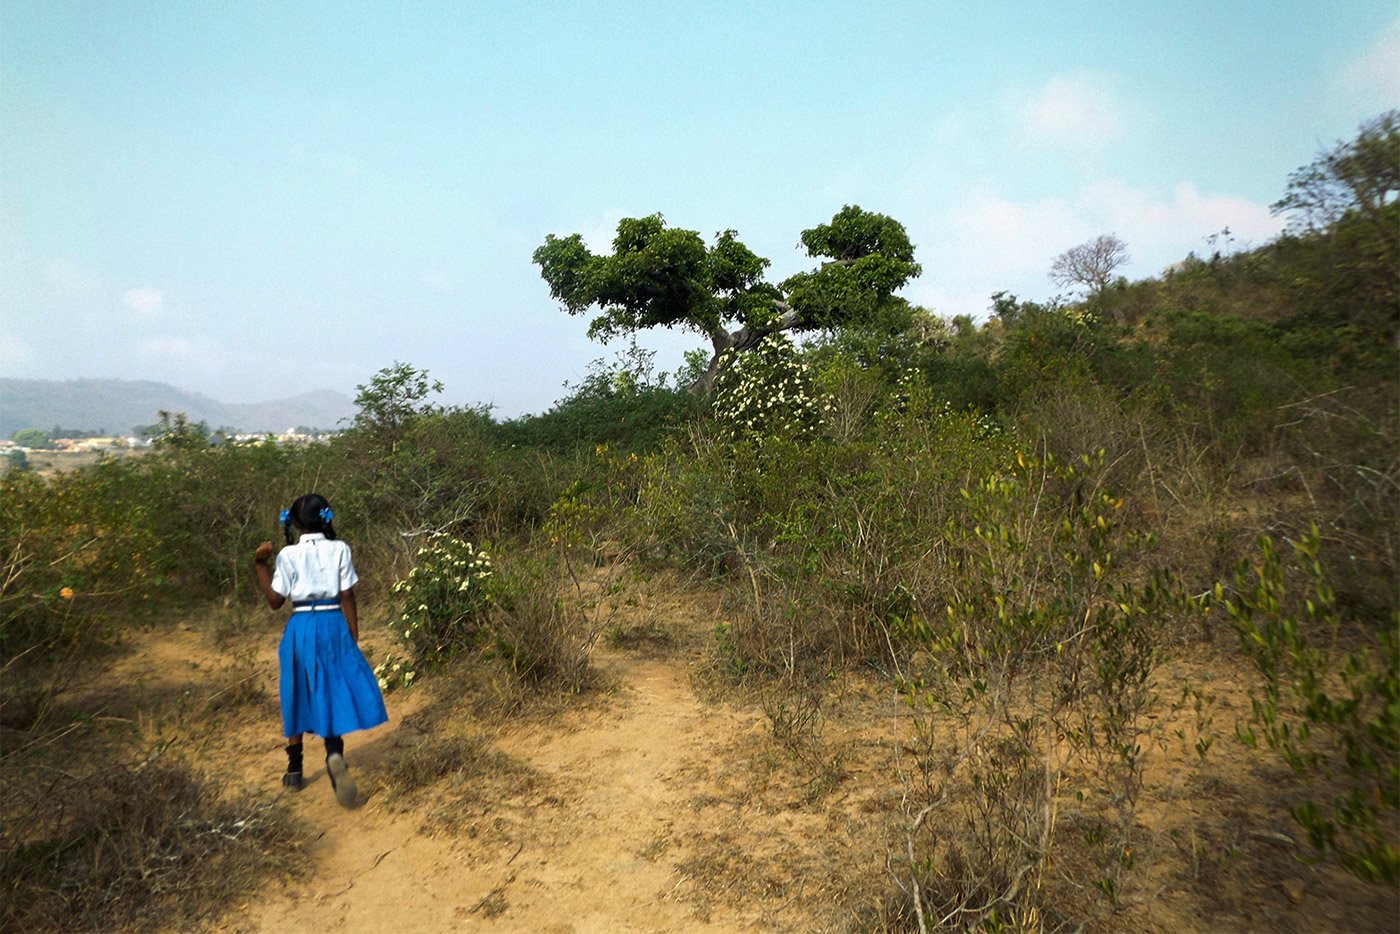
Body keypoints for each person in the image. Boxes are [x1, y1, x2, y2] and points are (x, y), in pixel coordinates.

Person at [253, 493, 387, 808]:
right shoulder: (340, 549)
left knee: (295, 690)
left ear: (294, 523)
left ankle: (294, 769)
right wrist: (352, 635)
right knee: (331, 690)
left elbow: (275, 602)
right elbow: (348, 595)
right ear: (326, 518)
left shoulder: (287, 555)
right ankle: (334, 754)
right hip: (332, 624)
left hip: (300, 627)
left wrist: (260, 565)